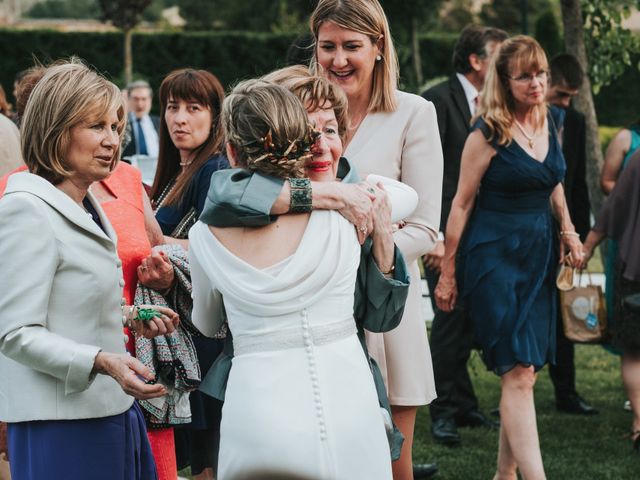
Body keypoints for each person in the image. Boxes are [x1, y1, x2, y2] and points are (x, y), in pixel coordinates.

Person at [199, 64, 427, 473]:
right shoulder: (242, 193)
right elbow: (222, 194)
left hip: (346, 382)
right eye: (307, 133)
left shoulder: (357, 192)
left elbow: (383, 315)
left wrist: (383, 238)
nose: (322, 146)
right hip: (266, 392)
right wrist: (331, 195)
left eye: (331, 130)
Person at [0, 60, 179, 480]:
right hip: (60, 425)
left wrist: (134, 317)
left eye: (116, 127)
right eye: (96, 126)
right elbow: (14, 332)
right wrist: (102, 361)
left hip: (111, 408)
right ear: (56, 130)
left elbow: (70, 302)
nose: (112, 140)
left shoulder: (86, 204)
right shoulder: (25, 210)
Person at [435, 36, 582, 479]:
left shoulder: (552, 121)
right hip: (493, 257)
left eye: (540, 74)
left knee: (525, 374)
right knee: (518, 371)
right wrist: (447, 270)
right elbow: (461, 204)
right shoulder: (488, 132)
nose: (536, 83)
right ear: (504, 80)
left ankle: (503, 475)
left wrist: (569, 230)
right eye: (524, 76)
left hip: (538, 257)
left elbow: (552, 179)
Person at [309, 1, 443, 477]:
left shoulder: (413, 113)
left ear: (379, 47)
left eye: (352, 46)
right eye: (328, 46)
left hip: (382, 308)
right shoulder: (298, 112)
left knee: (389, 464)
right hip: (309, 306)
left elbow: (426, 229)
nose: (338, 59)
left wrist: (358, 250)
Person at [141, 68, 229, 480]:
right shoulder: (178, 170)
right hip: (179, 327)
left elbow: (220, 246)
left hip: (203, 333)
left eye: (194, 108)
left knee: (207, 457)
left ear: (215, 117)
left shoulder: (212, 169)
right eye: (173, 107)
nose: (180, 118)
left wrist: (153, 237)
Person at [421, 24, 507, 446]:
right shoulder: (436, 100)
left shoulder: (495, 105)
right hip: (442, 235)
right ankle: (442, 413)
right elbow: (426, 173)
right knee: (449, 322)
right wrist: (435, 236)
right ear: (476, 61)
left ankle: (466, 405)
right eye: (499, 56)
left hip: (483, 234)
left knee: (469, 320)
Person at [546, 52, 597, 415]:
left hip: (564, 235)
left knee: (564, 313)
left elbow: (576, 184)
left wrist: (576, 235)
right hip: (526, 231)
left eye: (570, 97)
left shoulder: (576, 122)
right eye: (560, 95)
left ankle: (567, 392)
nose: (565, 104)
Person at [578, 152, 640, 451]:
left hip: (634, 268)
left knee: (634, 349)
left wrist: (588, 247)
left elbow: (614, 207)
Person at [122, 80, 160, 159]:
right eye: (136, 99)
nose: (140, 104)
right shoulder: (122, 123)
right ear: (129, 100)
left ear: (150, 100)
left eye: (144, 99)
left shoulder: (159, 123)